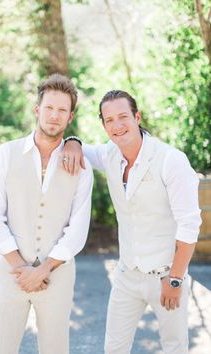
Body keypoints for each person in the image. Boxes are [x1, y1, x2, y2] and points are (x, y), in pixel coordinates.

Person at [62, 90, 201, 354]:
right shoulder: (109, 154)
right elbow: (82, 149)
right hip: (127, 275)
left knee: (175, 348)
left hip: (167, 275)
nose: (117, 125)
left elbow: (189, 225)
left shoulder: (170, 160)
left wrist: (175, 279)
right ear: (104, 126)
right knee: (113, 348)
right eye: (109, 120)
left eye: (123, 116)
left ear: (137, 117)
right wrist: (71, 140)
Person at [0, 73, 93, 354]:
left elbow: (78, 228)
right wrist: (21, 268)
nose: (54, 116)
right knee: (0, 350)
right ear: (37, 110)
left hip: (57, 275)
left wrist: (43, 269)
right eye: (49, 108)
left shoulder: (81, 165)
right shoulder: (5, 154)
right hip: (10, 273)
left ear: (70, 118)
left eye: (62, 110)